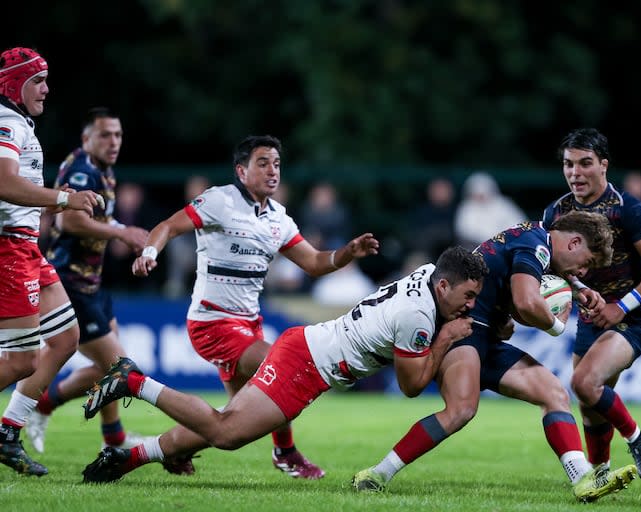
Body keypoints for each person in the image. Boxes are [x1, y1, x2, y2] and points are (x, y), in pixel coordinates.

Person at [78, 246, 488, 484]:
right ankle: (133, 381)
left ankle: (128, 458)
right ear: (443, 286)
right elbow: (412, 386)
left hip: (308, 350)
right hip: (306, 364)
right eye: (467, 296)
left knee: (226, 424)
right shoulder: (418, 317)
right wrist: (446, 339)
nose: (470, 306)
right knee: (227, 433)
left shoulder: (431, 275)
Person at [125, 134, 381, 479]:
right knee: (283, 365)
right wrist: (149, 252)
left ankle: (166, 450)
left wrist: (347, 253)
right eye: (263, 163)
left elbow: (316, 263)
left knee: (235, 422)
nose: (272, 171)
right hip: (212, 323)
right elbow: (169, 226)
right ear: (241, 171)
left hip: (248, 323)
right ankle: (286, 452)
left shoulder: (279, 218)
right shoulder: (220, 201)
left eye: (276, 164)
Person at [352, 211, 636, 503]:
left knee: (554, 393)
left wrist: (577, 291)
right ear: (574, 242)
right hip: (463, 329)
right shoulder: (535, 245)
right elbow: (526, 303)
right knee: (461, 410)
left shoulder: (535, 239)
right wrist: (557, 326)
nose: (583, 272)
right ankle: (376, 474)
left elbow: (519, 303)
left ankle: (583, 480)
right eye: (587, 263)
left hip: (484, 333)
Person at [542, 128, 641, 480]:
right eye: (569, 164)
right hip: (591, 319)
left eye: (585, 163)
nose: (575, 173)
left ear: (604, 165)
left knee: (584, 383)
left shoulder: (627, 209)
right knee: (590, 407)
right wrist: (572, 292)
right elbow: (549, 267)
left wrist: (622, 306)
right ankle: (601, 474)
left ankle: (638, 439)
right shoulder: (555, 213)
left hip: (630, 317)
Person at [23, 107, 152, 456]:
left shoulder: (102, 169)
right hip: (71, 285)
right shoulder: (82, 170)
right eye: (106, 135)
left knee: (108, 370)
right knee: (120, 370)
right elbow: (69, 223)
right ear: (86, 138)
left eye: (118, 135)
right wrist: (121, 231)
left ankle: (113, 437)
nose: (114, 142)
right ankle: (42, 406)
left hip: (92, 286)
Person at [0, 47, 103, 476]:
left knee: (64, 339)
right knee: (23, 360)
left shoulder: (19, 122)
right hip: (8, 248)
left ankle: (7, 432)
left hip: (27, 249)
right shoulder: (6, 122)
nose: (46, 88)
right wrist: (64, 199)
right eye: (37, 80)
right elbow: (3, 183)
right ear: (13, 84)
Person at [454, 171, 526, 250]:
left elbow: (519, 224)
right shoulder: (466, 208)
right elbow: (464, 231)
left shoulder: (504, 205)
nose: (480, 198)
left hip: (506, 246)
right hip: (477, 249)